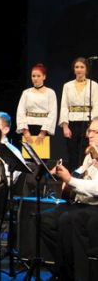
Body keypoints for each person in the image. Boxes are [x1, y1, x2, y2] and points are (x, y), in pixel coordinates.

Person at [42, 117, 98, 280]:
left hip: (94, 206)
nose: (90, 135)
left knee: (69, 220)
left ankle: (77, 273)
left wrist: (70, 180)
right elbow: (80, 170)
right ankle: (65, 268)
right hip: (81, 203)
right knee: (44, 220)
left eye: (95, 132)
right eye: (89, 131)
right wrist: (63, 173)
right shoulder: (91, 154)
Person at [60, 57, 98, 173]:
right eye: (77, 67)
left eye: (82, 67)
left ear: (86, 69)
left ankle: (85, 176)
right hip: (72, 122)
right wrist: (65, 126)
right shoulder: (67, 86)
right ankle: (71, 179)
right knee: (72, 154)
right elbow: (64, 105)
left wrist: (92, 126)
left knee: (85, 152)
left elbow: (96, 105)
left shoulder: (93, 85)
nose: (79, 70)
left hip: (87, 123)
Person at [16, 63, 57, 149]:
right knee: (28, 157)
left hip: (44, 128)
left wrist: (43, 132)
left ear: (44, 77)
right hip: (28, 127)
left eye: (38, 76)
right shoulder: (26, 93)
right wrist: (25, 131)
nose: (35, 78)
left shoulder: (50, 92)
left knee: (42, 158)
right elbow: (20, 111)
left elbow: (53, 113)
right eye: (33, 76)